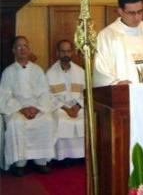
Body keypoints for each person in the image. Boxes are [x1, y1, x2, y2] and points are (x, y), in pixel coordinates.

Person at [0, 36, 55, 176]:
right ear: (14, 51)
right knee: (15, 123)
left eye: (25, 46)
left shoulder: (37, 70)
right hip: (17, 109)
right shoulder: (8, 72)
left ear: (29, 49)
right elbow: (5, 95)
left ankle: (41, 161)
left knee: (47, 121)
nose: (22, 49)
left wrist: (36, 108)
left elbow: (44, 92)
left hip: (37, 107)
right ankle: (19, 163)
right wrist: (21, 109)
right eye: (19, 47)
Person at [46, 40, 85, 163]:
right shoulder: (50, 73)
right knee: (60, 119)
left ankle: (81, 156)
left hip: (79, 107)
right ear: (58, 53)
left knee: (85, 119)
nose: (66, 54)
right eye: (63, 51)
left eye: (68, 51)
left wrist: (78, 106)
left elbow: (86, 93)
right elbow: (48, 96)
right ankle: (63, 157)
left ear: (72, 52)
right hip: (61, 108)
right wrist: (65, 108)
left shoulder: (81, 72)